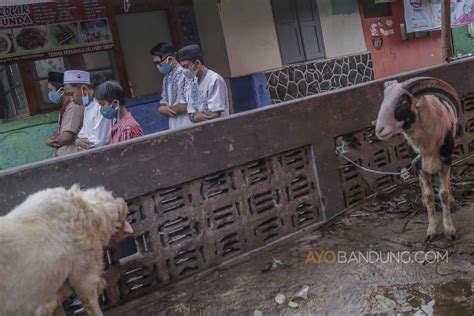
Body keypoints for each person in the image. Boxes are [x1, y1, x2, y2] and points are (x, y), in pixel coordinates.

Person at [177, 44, 229, 123]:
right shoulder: (191, 82)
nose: (184, 71)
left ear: (197, 63)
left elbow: (215, 114)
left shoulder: (214, 80)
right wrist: (195, 117)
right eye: (182, 67)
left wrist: (196, 117)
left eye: (186, 66)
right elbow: (190, 114)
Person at [62, 70, 112, 150]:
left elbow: (100, 141)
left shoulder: (101, 106)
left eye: (72, 94)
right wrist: (78, 141)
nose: (71, 99)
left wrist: (79, 142)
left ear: (84, 89)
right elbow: (81, 135)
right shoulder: (88, 107)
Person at [150, 42, 192, 130]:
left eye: (158, 63)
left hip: (188, 122)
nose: (157, 66)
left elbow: (187, 105)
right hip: (174, 124)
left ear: (169, 59)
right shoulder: (166, 79)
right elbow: (163, 103)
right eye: (155, 64)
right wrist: (162, 108)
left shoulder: (185, 74)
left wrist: (164, 110)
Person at [45, 71, 84, 157]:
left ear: (62, 90)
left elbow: (66, 137)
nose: (49, 94)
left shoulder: (73, 106)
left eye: (51, 90)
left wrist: (50, 141)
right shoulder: (65, 108)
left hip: (74, 157)